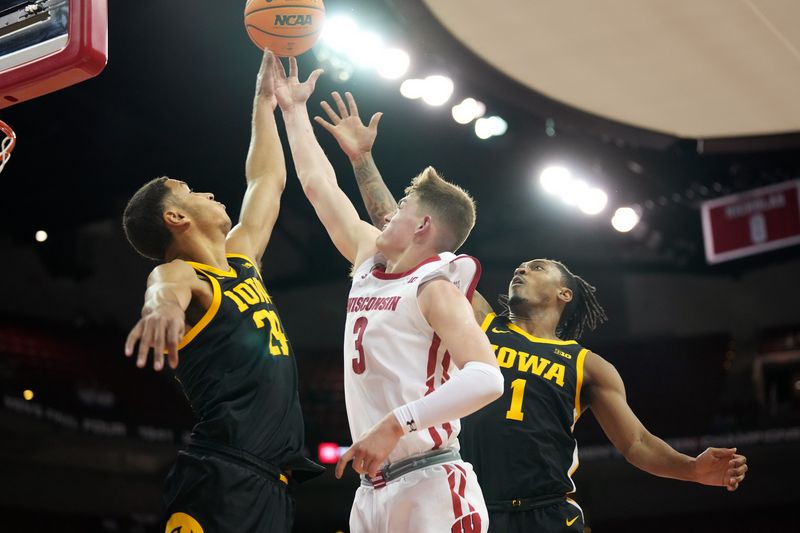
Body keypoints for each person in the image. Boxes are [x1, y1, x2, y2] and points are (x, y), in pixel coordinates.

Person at [315, 91, 750, 533]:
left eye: (538, 267)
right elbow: (406, 233)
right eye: (522, 265)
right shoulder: (481, 323)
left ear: (564, 294)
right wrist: (363, 160)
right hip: (470, 502)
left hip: (548, 511)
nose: (522, 267)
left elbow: (637, 443)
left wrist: (692, 470)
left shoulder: (587, 366)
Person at [272, 58, 504, 532]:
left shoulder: (435, 287)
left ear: (422, 226)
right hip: (372, 492)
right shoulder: (367, 262)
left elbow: (486, 378)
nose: (388, 215)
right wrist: (293, 110)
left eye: (401, 207)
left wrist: (398, 423)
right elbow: (320, 187)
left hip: (433, 483)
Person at [121, 52, 323, 533]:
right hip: (221, 474)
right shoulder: (188, 277)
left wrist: (263, 101)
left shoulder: (241, 259)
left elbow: (266, 180)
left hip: (272, 484)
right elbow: (164, 285)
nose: (209, 192)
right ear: (176, 218)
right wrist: (160, 309)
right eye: (190, 190)